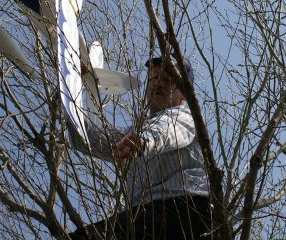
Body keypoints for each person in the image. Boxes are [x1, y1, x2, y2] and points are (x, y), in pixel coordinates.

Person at [67, 55, 213, 240]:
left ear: (184, 95)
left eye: (168, 80)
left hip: (188, 210)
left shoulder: (188, 117)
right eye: (153, 78)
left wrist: (144, 141)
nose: (157, 84)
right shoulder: (133, 134)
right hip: (147, 214)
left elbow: (169, 128)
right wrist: (70, 83)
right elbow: (85, 137)